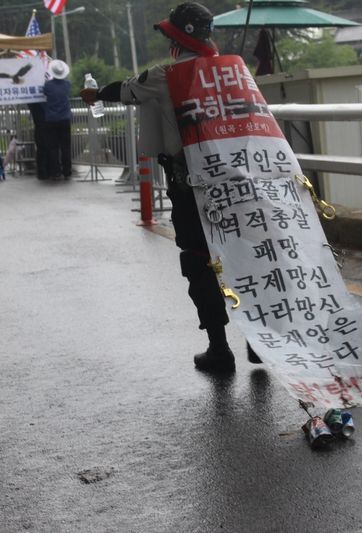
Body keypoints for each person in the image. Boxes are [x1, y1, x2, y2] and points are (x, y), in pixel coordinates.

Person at [80, 2, 262, 374]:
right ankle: (260, 342)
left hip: (190, 185)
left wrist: (95, 95)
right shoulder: (233, 72)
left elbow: (126, 89)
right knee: (246, 256)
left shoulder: (165, 76)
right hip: (239, 183)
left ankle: (219, 349)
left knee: (199, 259)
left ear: (177, 39)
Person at [43, 59, 72, 179]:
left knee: (53, 147)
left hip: (51, 119)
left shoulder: (48, 85)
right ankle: (67, 171)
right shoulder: (67, 84)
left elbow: (44, 93)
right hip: (65, 118)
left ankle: (55, 171)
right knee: (66, 147)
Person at [28, 101, 49, 179]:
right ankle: (47, 171)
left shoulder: (33, 102)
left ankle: (41, 172)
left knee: (41, 149)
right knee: (46, 148)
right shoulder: (43, 103)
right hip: (46, 125)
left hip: (39, 127)